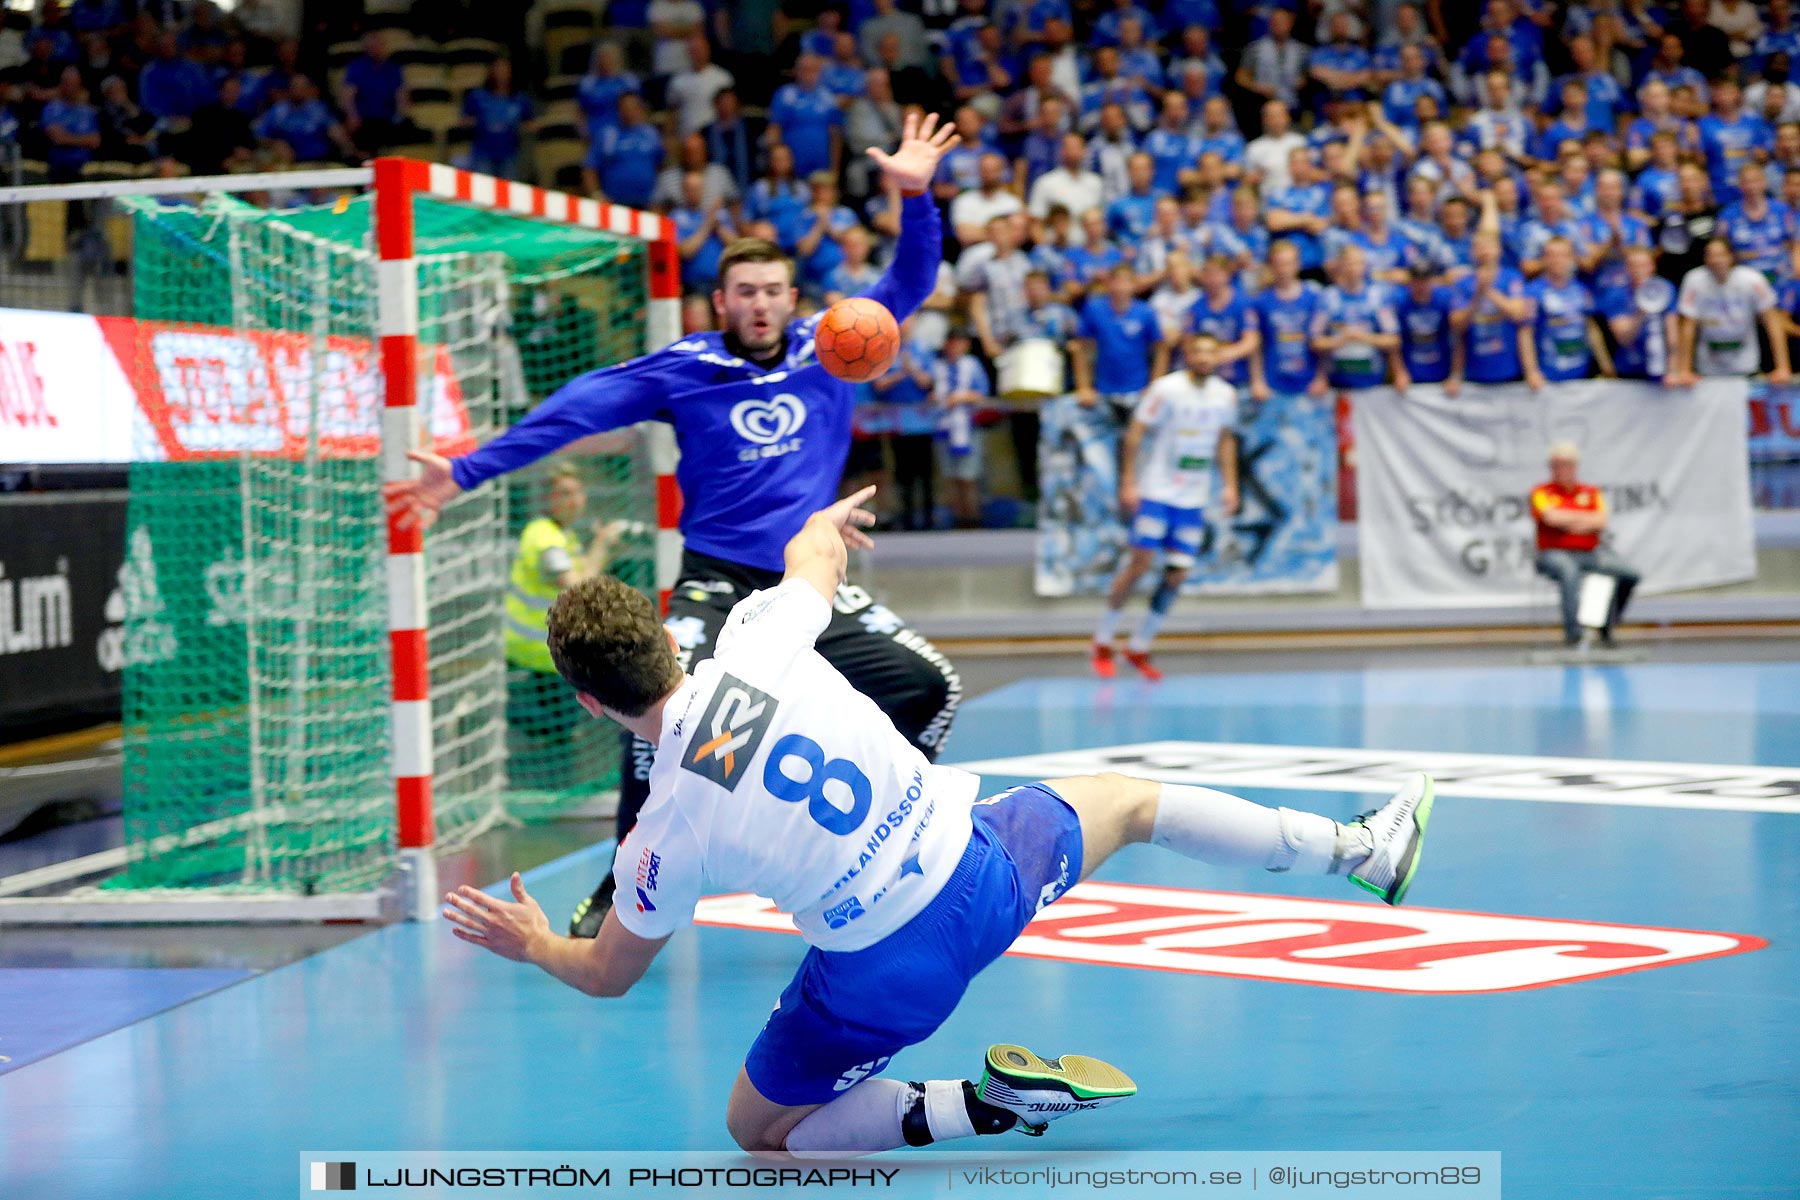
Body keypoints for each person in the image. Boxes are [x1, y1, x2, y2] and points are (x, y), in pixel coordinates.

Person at [443, 487, 1436, 1152]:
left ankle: (984, 1104)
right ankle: (1358, 848)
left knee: (764, 1131)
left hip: (887, 973)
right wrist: (822, 518)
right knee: (1132, 803)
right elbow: (814, 555)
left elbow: (609, 975)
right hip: (982, 864)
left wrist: (535, 943)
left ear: (588, 702)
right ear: (668, 632)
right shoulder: (759, 636)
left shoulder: (664, 831)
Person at [387, 112, 966, 939]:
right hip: (718, 583)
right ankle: (626, 887)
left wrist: (916, 197)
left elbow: (909, 282)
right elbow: (579, 407)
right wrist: (468, 470)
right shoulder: (689, 370)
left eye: (773, 291)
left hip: (810, 578)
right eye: (744, 293)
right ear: (720, 300)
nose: (759, 305)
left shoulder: (835, 346)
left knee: (932, 687)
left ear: (791, 299)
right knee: (657, 719)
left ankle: (887, 848)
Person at [1091, 332, 1241, 681]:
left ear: (1219, 357)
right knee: (1140, 563)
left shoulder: (1225, 395)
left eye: (1211, 352)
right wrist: (1128, 482)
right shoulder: (1166, 389)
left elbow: (1224, 440)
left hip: (1193, 498)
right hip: (1158, 492)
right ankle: (1103, 640)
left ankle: (1139, 646)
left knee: (1178, 574)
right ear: (1187, 354)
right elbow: (1136, 433)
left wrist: (1231, 485)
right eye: (1198, 351)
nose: (1204, 358)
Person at [505, 467, 627, 794]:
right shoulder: (543, 537)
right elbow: (576, 584)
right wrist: (602, 543)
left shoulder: (563, 535)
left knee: (566, 727)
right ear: (547, 499)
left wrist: (602, 548)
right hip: (535, 650)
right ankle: (486, 719)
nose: (574, 501)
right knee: (562, 728)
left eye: (577, 493)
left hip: (549, 648)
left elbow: (583, 574)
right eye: (564, 494)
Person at [1532, 442, 1640, 648]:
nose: (1563, 470)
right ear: (1551, 468)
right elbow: (1551, 518)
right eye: (1558, 465)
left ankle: (1604, 624)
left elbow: (1601, 520)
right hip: (1552, 554)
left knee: (1628, 573)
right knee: (1569, 571)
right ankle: (1574, 634)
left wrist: (1568, 520)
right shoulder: (1541, 492)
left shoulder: (1590, 492)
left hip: (1589, 552)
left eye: (1567, 465)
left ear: (1575, 467)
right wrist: (1583, 519)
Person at [1671, 237, 1794, 385]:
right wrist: (1684, 370)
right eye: (1711, 255)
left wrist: (1782, 367)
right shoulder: (1694, 280)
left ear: (1731, 256)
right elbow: (1687, 327)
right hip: (1707, 366)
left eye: (1721, 255)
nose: (1716, 260)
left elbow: (1772, 323)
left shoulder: (1752, 280)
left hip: (1746, 364)